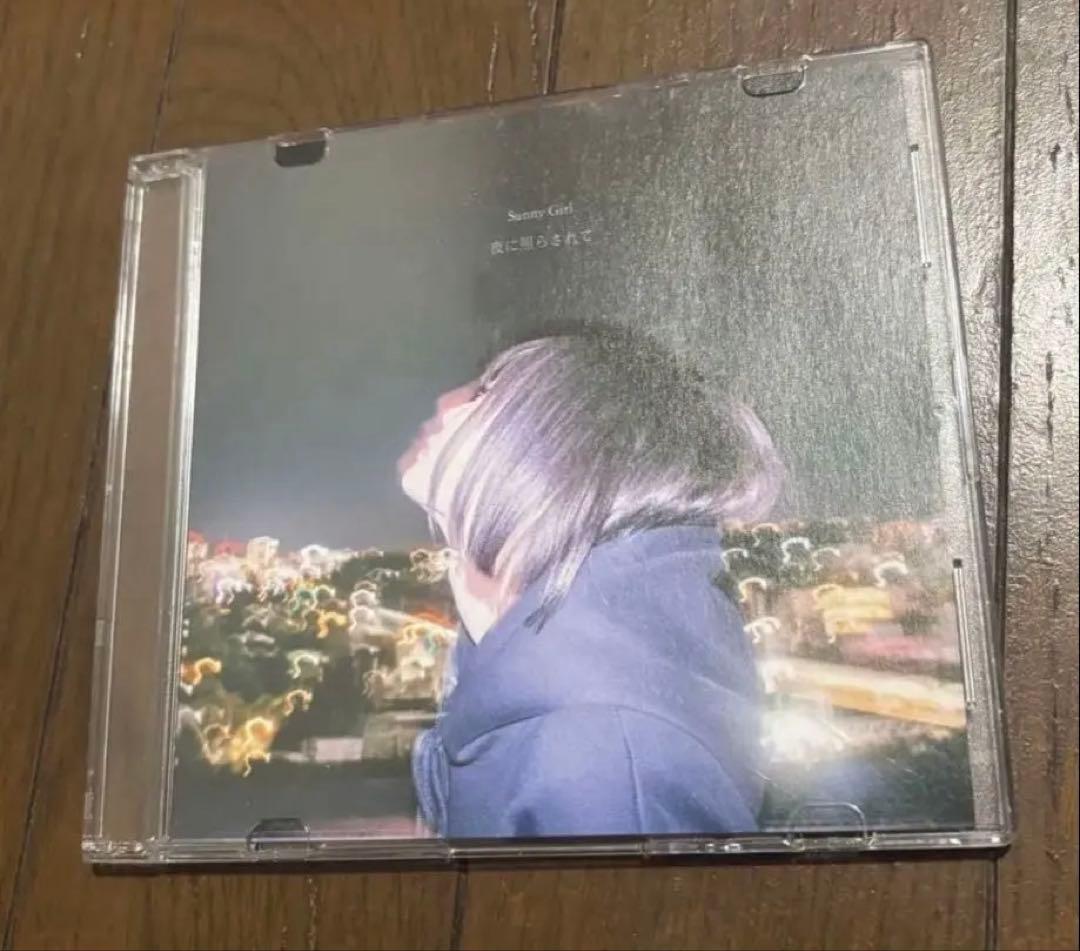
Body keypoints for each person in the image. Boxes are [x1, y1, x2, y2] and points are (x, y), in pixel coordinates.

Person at [397, 325, 783, 838]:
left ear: (567, 446)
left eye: (488, 392)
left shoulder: (601, 753)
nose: (448, 402)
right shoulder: (579, 671)